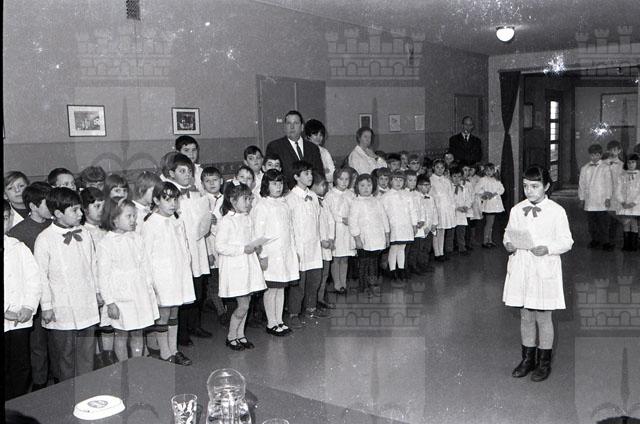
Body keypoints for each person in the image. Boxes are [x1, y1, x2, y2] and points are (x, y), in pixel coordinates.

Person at [503, 165, 573, 382]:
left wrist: (548, 248)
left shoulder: (556, 211)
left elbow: (567, 241)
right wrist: (508, 244)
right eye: (526, 186)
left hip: (544, 268)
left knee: (543, 317)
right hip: (522, 267)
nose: (529, 191)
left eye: (535, 186)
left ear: (546, 186)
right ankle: (527, 359)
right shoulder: (517, 209)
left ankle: (544, 363)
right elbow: (508, 234)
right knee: (526, 316)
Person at [34, 187, 100, 381]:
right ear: (58, 213)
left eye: (80, 209)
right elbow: (41, 276)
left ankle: (86, 389)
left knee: (86, 352)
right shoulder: (45, 239)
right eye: (74, 210)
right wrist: (46, 306)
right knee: (65, 355)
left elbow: (93, 265)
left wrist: (97, 291)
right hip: (61, 306)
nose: (80, 214)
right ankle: (67, 392)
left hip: (86, 303)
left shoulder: (84, 233)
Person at [96, 199, 159, 361]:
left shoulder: (136, 238)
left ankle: (137, 365)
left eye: (134, 216)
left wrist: (150, 287)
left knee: (138, 331)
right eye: (129, 216)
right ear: (114, 219)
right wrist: (110, 302)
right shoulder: (106, 244)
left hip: (139, 292)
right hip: (120, 296)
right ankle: (124, 366)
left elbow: (145, 265)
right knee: (121, 333)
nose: (133, 220)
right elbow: (103, 276)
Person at [160, 152, 211, 345]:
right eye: (182, 171)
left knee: (198, 287)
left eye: (189, 171)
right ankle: (181, 333)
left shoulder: (196, 192)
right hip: (182, 247)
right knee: (183, 290)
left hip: (197, 245)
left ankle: (194, 325)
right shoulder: (169, 195)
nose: (187, 175)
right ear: (171, 173)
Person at [141, 181, 194, 365]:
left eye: (175, 199)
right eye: (167, 199)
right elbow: (146, 256)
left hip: (177, 274)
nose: (173, 204)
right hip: (161, 276)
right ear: (156, 200)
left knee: (174, 312)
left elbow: (184, 247)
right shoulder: (150, 224)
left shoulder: (177, 220)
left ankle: (174, 349)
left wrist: (186, 267)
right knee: (163, 313)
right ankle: (165, 353)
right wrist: (150, 282)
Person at [7, 182, 52, 392]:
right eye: (47, 203)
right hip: (29, 303)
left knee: (55, 346)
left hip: (51, 296)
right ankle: (38, 386)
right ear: (33, 206)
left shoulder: (55, 226)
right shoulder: (18, 233)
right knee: (37, 346)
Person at [216, 183, 267, 350]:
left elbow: (250, 238)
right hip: (235, 267)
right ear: (232, 200)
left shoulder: (246, 218)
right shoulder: (226, 221)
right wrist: (242, 249)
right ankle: (231, 336)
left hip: (248, 265)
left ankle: (240, 335)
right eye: (245, 199)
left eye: (250, 199)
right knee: (243, 305)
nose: (248, 203)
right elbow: (220, 246)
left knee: (247, 302)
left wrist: (256, 246)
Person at [252, 170, 298, 336]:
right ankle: (271, 323)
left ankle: (279, 320)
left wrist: (293, 252)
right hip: (270, 254)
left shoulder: (284, 204)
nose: (278, 187)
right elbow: (258, 234)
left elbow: (290, 230)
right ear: (266, 185)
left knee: (281, 289)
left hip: (284, 253)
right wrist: (262, 256)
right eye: (274, 183)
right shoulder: (262, 206)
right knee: (271, 290)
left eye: (280, 183)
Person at [4, 200, 42, 400]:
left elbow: (33, 279)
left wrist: (28, 306)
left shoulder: (18, 247)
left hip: (20, 319)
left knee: (21, 365)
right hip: (6, 317)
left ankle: (17, 405)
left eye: (5, 218)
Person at [285, 160, 323, 328]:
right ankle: (293, 313)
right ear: (296, 176)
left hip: (314, 246)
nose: (310, 176)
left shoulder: (313, 196)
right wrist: (293, 249)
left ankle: (310, 309)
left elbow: (318, 220)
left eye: (311, 173)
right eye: (306, 173)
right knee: (299, 283)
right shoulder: (290, 199)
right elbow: (289, 227)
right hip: (299, 247)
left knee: (314, 280)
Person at [80, 187, 115, 368]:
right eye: (96, 206)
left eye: (103, 206)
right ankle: (96, 356)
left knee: (109, 321)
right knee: (94, 323)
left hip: (109, 281)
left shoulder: (106, 230)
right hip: (93, 284)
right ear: (84, 209)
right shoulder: (82, 232)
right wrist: (96, 290)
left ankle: (108, 354)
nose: (101, 210)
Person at [349, 174, 389, 297]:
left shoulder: (376, 201)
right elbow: (352, 222)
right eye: (362, 185)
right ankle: (364, 286)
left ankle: (373, 285)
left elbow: (384, 218)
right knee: (364, 263)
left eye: (369, 185)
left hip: (377, 238)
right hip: (363, 239)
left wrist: (387, 235)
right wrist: (357, 239)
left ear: (373, 186)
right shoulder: (356, 202)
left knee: (374, 263)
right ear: (357, 187)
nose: (366, 188)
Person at [266, 110, 324, 188]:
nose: (292, 127)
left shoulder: (313, 148)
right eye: (288, 123)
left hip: (309, 192)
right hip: (285, 192)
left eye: (295, 123)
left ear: (302, 127)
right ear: (284, 127)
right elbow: (271, 175)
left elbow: (319, 175)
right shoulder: (275, 147)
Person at [200, 166, 228, 325]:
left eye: (215, 180)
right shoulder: (202, 201)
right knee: (214, 280)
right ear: (202, 184)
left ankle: (220, 305)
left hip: (224, 244)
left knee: (225, 278)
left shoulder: (226, 199)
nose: (212, 184)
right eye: (207, 181)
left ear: (221, 181)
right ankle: (221, 311)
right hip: (209, 245)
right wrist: (208, 252)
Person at [380, 171, 417, 282]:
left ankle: (401, 269)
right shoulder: (386, 196)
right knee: (394, 248)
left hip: (405, 225)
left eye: (401, 180)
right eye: (396, 180)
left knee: (402, 247)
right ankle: (392, 270)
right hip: (393, 226)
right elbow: (383, 214)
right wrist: (386, 228)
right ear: (391, 181)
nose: (398, 182)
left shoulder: (407, 195)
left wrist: (414, 224)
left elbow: (412, 211)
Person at [325, 168, 356, 294]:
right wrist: (341, 219)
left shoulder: (351, 194)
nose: (344, 182)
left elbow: (355, 210)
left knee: (345, 257)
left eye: (347, 179)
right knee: (336, 257)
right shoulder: (330, 195)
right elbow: (328, 213)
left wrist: (352, 219)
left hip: (348, 230)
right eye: (341, 179)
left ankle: (343, 282)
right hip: (336, 229)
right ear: (335, 179)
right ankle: (337, 283)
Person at [578, 144, 613, 250]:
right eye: (592, 155)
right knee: (592, 223)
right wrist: (581, 198)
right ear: (589, 155)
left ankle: (606, 242)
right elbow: (581, 184)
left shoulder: (605, 167)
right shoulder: (584, 168)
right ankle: (595, 240)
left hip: (601, 199)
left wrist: (608, 197)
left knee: (603, 222)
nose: (594, 157)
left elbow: (609, 183)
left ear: (600, 155)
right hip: (589, 200)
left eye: (597, 155)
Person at [311, 171, 335, 311]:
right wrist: (321, 241)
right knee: (316, 277)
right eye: (321, 185)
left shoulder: (324, 202)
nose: (324, 188)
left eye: (325, 185)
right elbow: (312, 226)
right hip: (317, 246)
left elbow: (331, 221)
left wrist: (331, 238)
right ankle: (313, 302)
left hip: (327, 244)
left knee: (324, 275)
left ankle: (320, 299)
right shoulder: (311, 202)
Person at [430, 159, 456, 261]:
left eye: (442, 168)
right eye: (437, 167)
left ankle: (441, 252)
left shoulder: (447, 180)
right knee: (436, 231)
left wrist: (452, 208)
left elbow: (451, 195)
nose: (440, 170)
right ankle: (437, 253)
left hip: (446, 208)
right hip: (437, 208)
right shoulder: (431, 180)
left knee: (442, 230)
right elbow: (431, 196)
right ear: (433, 168)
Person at [476, 163, 505, 248]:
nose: (489, 172)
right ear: (484, 171)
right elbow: (477, 189)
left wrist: (495, 193)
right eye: (487, 170)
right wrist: (485, 193)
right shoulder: (483, 179)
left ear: (494, 171)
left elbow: (502, 189)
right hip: (488, 203)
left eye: (491, 170)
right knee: (489, 223)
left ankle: (490, 240)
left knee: (491, 223)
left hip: (495, 203)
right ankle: (485, 241)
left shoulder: (496, 180)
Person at [616, 153, 640, 251]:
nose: (631, 164)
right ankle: (626, 245)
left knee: (634, 223)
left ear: (637, 163)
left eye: (633, 162)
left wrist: (634, 202)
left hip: (636, 205)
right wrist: (622, 202)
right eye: (629, 162)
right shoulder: (622, 175)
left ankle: (634, 245)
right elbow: (618, 190)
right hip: (624, 204)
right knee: (626, 223)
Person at [404, 170, 426, 275]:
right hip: (409, 225)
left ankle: (414, 265)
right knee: (407, 248)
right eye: (410, 180)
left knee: (417, 247)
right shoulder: (403, 194)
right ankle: (405, 267)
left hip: (418, 224)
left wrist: (422, 220)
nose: (413, 183)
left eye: (414, 180)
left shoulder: (417, 194)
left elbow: (422, 208)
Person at [416, 174, 437, 272]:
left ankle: (425, 263)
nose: (427, 187)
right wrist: (424, 227)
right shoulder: (417, 198)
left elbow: (434, 211)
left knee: (427, 247)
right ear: (418, 186)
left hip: (430, 227)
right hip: (422, 228)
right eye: (425, 185)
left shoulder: (431, 198)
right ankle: (419, 265)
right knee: (420, 248)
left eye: (428, 185)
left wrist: (434, 224)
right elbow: (419, 214)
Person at [450, 166, 473, 255]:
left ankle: (462, 248)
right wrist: (457, 207)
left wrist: (466, 206)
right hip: (453, 212)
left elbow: (469, 199)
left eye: (459, 177)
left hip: (462, 212)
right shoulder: (449, 188)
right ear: (451, 177)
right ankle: (450, 249)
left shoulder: (464, 188)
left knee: (461, 231)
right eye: (454, 176)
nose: (457, 179)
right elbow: (450, 200)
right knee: (451, 232)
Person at [304, 119, 335, 185]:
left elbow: (333, 175)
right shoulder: (304, 152)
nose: (318, 138)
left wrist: (323, 173)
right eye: (315, 134)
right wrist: (324, 171)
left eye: (321, 135)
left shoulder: (325, 152)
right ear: (308, 136)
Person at [606, 140, 624, 248]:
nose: (613, 152)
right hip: (605, 194)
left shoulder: (622, 165)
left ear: (619, 151)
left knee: (615, 218)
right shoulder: (603, 164)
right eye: (611, 150)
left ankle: (612, 241)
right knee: (606, 219)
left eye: (615, 150)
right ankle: (607, 241)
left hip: (616, 195)